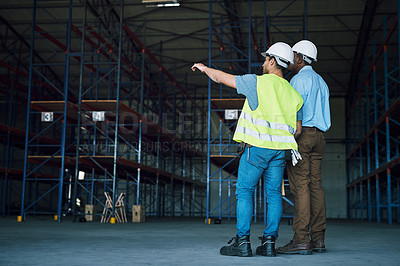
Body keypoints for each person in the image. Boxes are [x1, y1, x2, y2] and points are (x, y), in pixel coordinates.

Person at [192, 42, 303, 257]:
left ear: (272, 61)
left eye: (265, 59)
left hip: (256, 150)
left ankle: (243, 242)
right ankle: (270, 243)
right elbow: (297, 130)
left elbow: (222, 78)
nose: (262, 63)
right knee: (273, 195)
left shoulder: (257, 83)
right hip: (280, 151)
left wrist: (205, 69)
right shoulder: (294, 94)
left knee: (244, 192)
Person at [276, 40, 331, 255]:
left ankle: (300, 239)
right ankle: (318, 239)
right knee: (316, 186)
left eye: (292, 56)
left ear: (299, 58)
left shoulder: (298, 80)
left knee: (301, 187)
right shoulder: (322, 82)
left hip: (302, 136)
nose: (290, 59)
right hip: (320, 137)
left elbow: (294, 112)